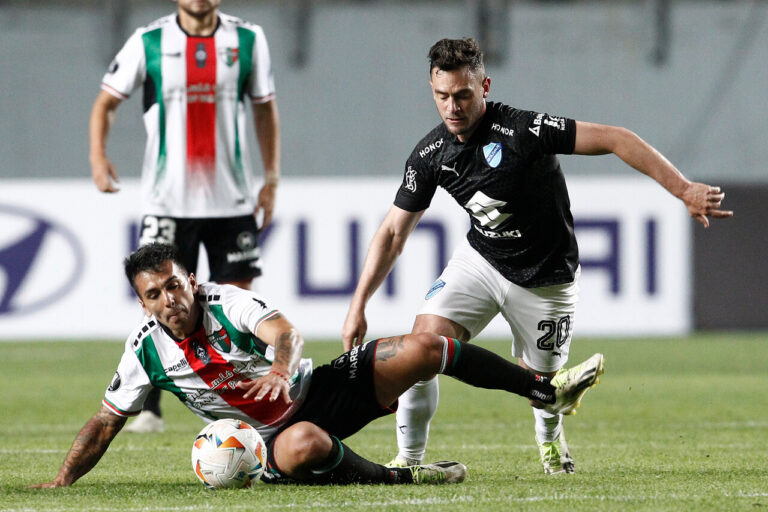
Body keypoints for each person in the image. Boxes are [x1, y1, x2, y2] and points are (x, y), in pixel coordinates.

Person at [342, 38, 733, 475]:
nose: (453, 107)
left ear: (484, 86)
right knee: (418, 349)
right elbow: (394, 230)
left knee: (542, 388)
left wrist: (683, 190)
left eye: (463, 95)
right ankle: (409, 461)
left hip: (546, 279)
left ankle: (550, 442)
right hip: (481, 261)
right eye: (442, 96)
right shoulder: (431, 155)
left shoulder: (523, 130)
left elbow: (616, 138)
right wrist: (358, 305)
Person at [32, 243, 603, 488]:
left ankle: (543, 389)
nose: (170, 300)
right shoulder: (144, 351)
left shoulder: (223, 302)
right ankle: (402, 476)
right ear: (143, 302)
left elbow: (285, 333)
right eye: (155, 294)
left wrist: (283, 365)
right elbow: (105, 421)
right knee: (304, 444)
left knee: (425, 347)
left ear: (190, 281)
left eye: (175, 285)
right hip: (270, 438)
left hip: (321, 388)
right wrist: (62, 481)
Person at [89, 0, 281, 433]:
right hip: (167, 200)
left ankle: (245, 404)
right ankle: (150, 409)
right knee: (161, 296)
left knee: (236, 306)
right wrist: (98, 156)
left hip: (231, 201)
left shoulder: (248, 39)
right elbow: (106, 102)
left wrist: (270, 178)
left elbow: (265, 109)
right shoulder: (149, 40)